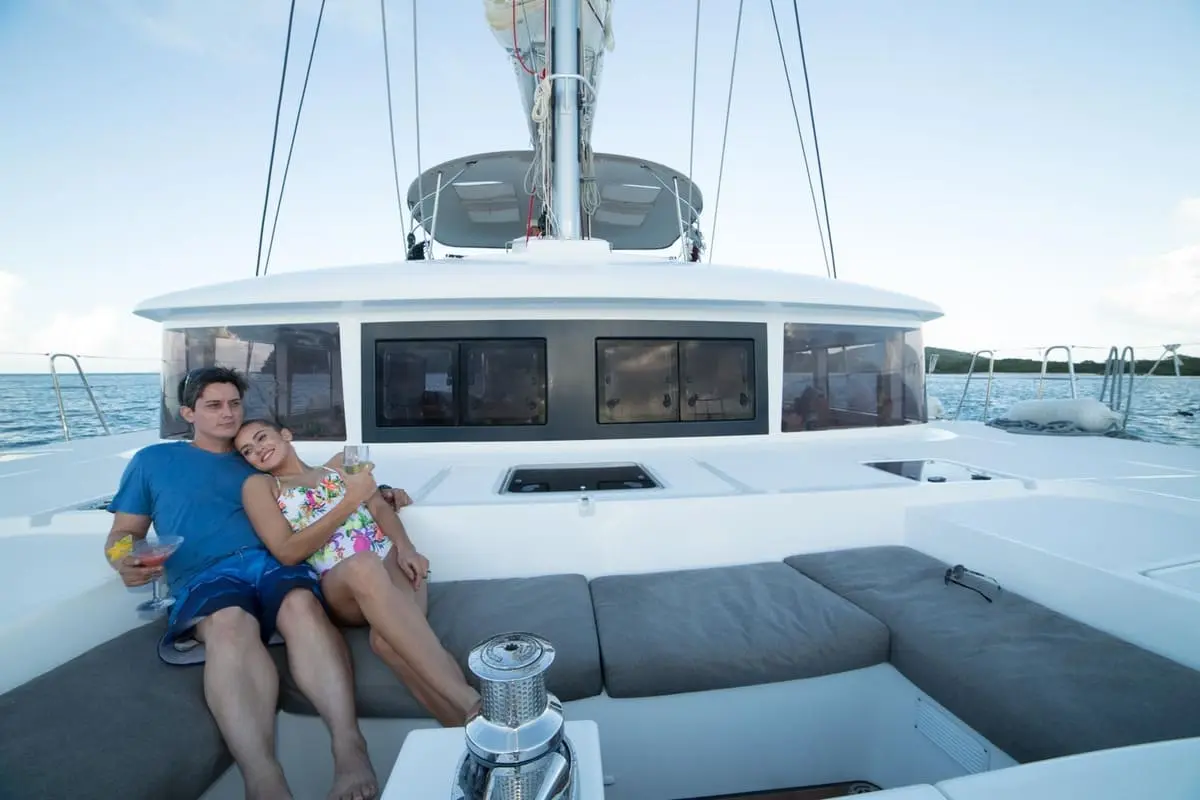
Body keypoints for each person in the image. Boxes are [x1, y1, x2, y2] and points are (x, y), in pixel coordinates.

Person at [104, 366, 404, 800]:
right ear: (188, 412)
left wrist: (386, 491)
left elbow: (320, 479)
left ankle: (348, 745)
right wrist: (123, 561)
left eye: (234, 404)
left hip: (275, 563)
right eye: (213, 406)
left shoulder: (258, 455)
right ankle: (264, 778)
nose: (227, 414)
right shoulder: (153, 462)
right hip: (206, 573)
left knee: (300, 605)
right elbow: (121, 536)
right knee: (228, 622)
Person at [234, 419, 482, 727]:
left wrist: (406, 548)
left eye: (261, 438)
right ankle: (470, 700)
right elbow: (286, 552)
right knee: (363, 564)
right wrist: (350, 500)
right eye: (248, 450)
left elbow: (379, 509)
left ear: (286, 434)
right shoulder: (261, 486)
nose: (258, 450)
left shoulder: (344, 460)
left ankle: (467, 731)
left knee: (386, 643)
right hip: (341, 582)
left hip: (389, 562)